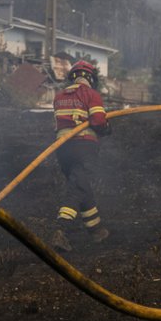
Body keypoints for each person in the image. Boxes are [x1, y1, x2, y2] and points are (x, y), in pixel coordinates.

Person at [50, 60, 113, 252]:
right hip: (84, 146)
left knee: (81, 184)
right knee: (77, 187)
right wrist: (107, 129)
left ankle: (96, 229)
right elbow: (98, 122)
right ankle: (62, 228)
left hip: (63, 150)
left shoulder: (59, 96)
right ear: (91, 79)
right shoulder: (91, 94)